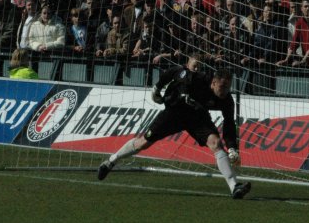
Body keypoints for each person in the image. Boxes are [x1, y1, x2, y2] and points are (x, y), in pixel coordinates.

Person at [97, 55, 251, 199]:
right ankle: (111, 161)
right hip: (175, 112)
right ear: (213, 83)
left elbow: (229, 123)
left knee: (216, 143)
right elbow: (175, 72)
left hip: (197, 117)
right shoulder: (197, 79)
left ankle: (234, 186)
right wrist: (158, 88)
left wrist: (232, 148)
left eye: (228, 87)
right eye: (222, 87)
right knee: (144, 142)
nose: (225, 91)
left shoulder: (227, 100)